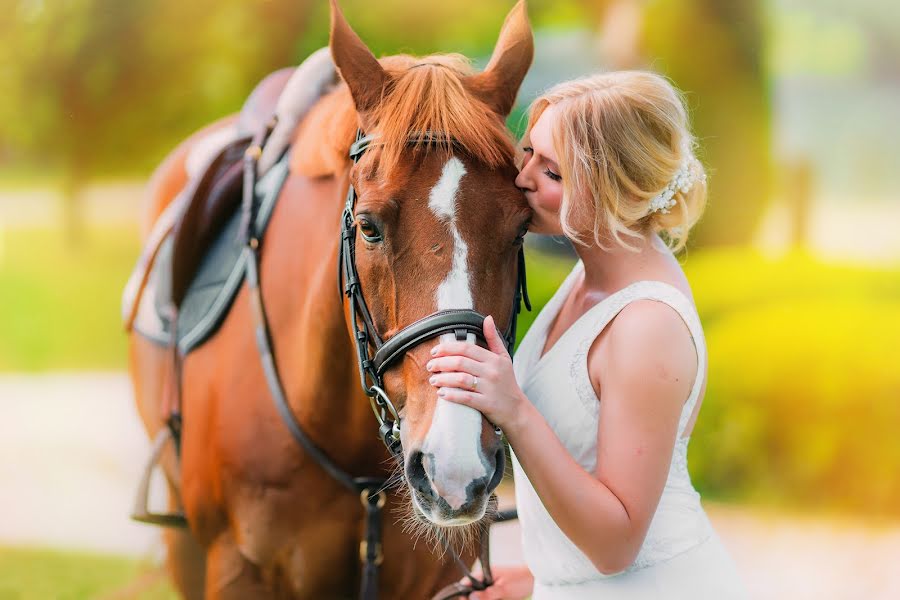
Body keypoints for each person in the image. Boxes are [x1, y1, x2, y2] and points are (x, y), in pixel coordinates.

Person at [425, 71, 750, 599]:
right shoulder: (592, 273)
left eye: (551, 171)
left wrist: (514, 410)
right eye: (527, 151)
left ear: (610, 188)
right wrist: (540, 580)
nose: (523, 177)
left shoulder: (647, 326)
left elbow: (617, 542)